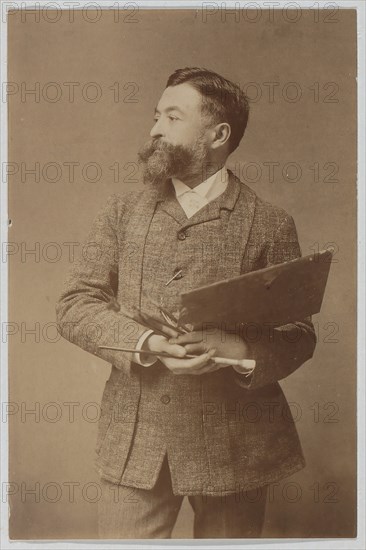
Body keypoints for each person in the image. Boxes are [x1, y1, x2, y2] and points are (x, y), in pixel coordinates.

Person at [56, 67, 316, 539]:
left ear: (219, 135)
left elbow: (299, 332)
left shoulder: (271, 223)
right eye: (156, 116)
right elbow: (76, 304)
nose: (155, 129)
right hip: (135, 440)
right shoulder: (122, 211)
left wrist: (238, 350)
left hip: (236, 445)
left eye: (172, 118)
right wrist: (147, 342)